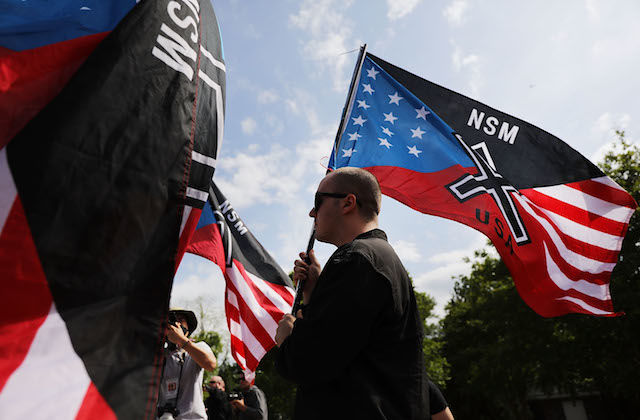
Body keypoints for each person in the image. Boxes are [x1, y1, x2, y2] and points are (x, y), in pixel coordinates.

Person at [274, 167, 430, 419]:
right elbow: (354, 351)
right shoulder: (382, 259)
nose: (312, 212)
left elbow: (309, 362)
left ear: (348, 202)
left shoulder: (355, 260)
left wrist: (287, 339)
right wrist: (314, 294)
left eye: (318, 201)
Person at [156, 308, 217, 420]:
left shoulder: (199, 347)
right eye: (171, 320)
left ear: (188, 329)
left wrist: (182, 341)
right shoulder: (160, 355)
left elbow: (211, 365)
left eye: (180, 320)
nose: (176, 324)